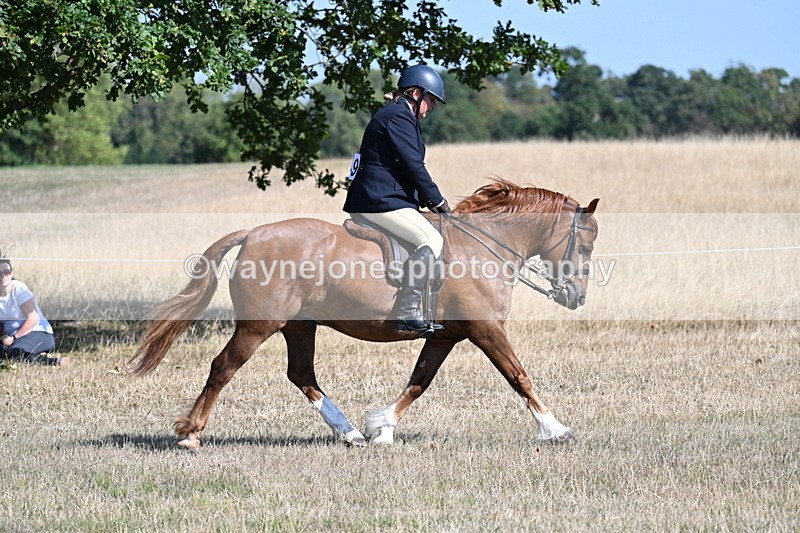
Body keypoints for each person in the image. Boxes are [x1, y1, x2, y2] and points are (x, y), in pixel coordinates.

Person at [343, 64, 452, 335]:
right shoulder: (398, 117)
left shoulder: (398, 114)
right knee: (431, 240)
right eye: (430, 100)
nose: (432, 108)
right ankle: (408, 311)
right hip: (379, 200)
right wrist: (437, 202)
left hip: (383, 197)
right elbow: (413, 165)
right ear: (416, 93)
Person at [0, 259, 65, 366]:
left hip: (38, 333)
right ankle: (35, 353)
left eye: (6, 272)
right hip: (14, 339)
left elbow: (33, 318)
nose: (3, 276)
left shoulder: (19, 289)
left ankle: (53, 362)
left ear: (12, 274)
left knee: (14, 353)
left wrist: (14, 338)